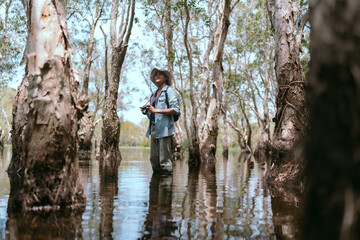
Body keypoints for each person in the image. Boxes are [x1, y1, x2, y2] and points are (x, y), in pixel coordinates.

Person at [143, 68, 180, 175]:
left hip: (165, 129)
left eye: (160, 74)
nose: (157, 76)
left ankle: (166, 185)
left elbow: (175, 110)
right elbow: (153, 116)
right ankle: (156, 185)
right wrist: (148, 112)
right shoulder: (154, 94)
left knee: (165, 161)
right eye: (156, 74)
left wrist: (155, 110)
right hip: (154, 128)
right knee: (154, 160)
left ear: (166, 78)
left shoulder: (169, 91)